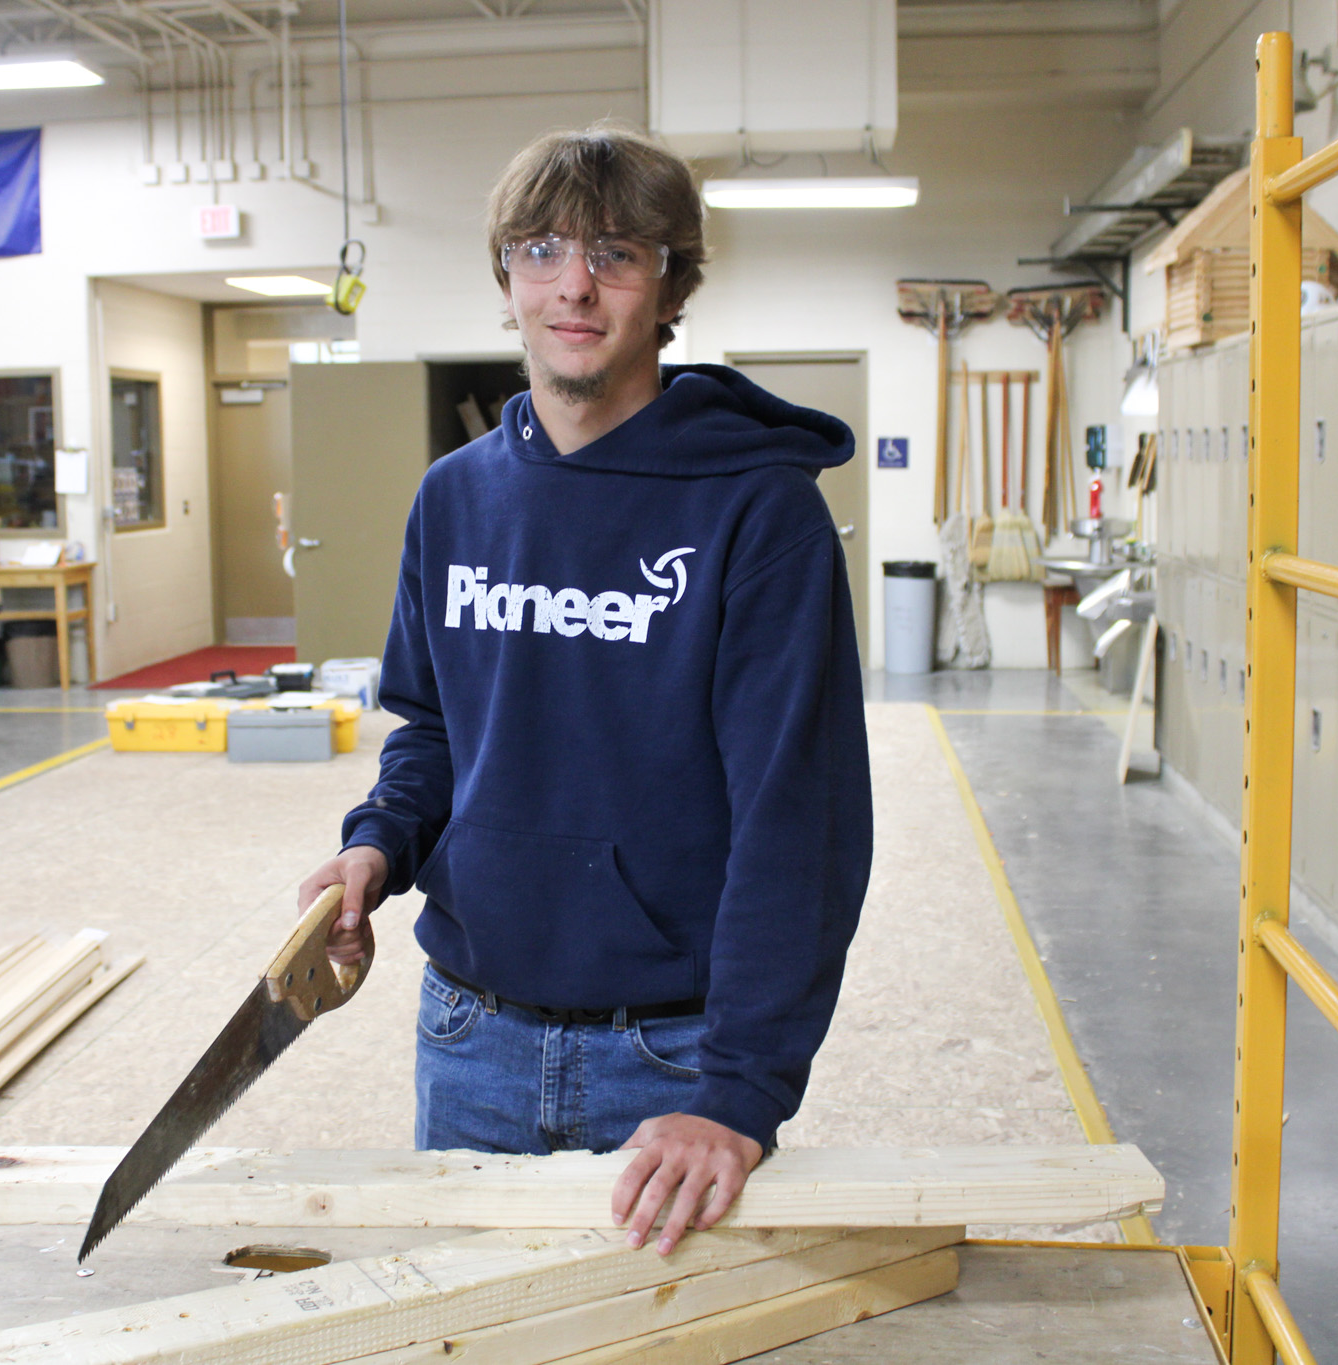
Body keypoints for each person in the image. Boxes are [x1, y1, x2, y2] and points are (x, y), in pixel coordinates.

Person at [298, 124, 871, 1257]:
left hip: (667, 1063)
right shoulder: (453, 498)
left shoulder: (757, 514)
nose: (573, 284)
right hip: (467, 1034)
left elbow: (795, 824)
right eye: (541, 248)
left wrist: (737, 1092)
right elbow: (434, 729)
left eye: (615, 253)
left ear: (671, 287)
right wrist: (378, 847)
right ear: (504, 277)